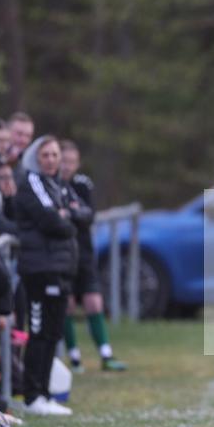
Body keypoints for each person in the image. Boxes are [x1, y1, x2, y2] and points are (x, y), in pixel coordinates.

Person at [15, 136, 78, 416]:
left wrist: (68, 217)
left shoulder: (60, 184)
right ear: (36, 157)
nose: (51, 160)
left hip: (61, 269)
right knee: (39, 332)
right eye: (46, 155)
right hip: (40, 269)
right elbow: (52, 221)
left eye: (55, 155)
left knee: (53, 332)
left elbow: (84, 214)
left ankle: (45, 392)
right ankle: (32, 395)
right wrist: (65, 219)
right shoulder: (32, 181)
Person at [58, 140, 126, 372]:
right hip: (62, 255)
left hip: (84, 254)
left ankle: (105, 354)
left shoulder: (83, 184)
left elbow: (88, 215)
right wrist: (72, 213)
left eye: (72, 162)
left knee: (94, 303)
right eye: (63, 161)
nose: (67, 166)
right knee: (66, 305)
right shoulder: (49, 185)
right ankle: (74, 357)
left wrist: (71, 213)